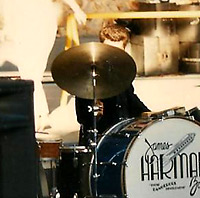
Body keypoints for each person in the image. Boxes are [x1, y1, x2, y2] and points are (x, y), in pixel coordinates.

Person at [0, 0, 86, 130]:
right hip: (21, 22)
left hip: (38, 21)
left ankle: (38, 115)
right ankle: (40, 115)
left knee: (31, 71)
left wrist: (76, 8)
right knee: (30, 72)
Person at [75, 23, 149, 146]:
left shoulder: (123, 76)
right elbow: (84, 118)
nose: (112, 56)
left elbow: (134, 105)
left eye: (118, 52)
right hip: (101, 141)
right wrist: (97, 113)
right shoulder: (89, 77)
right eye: (108, 51)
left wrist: (154, 116)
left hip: (124, 138)